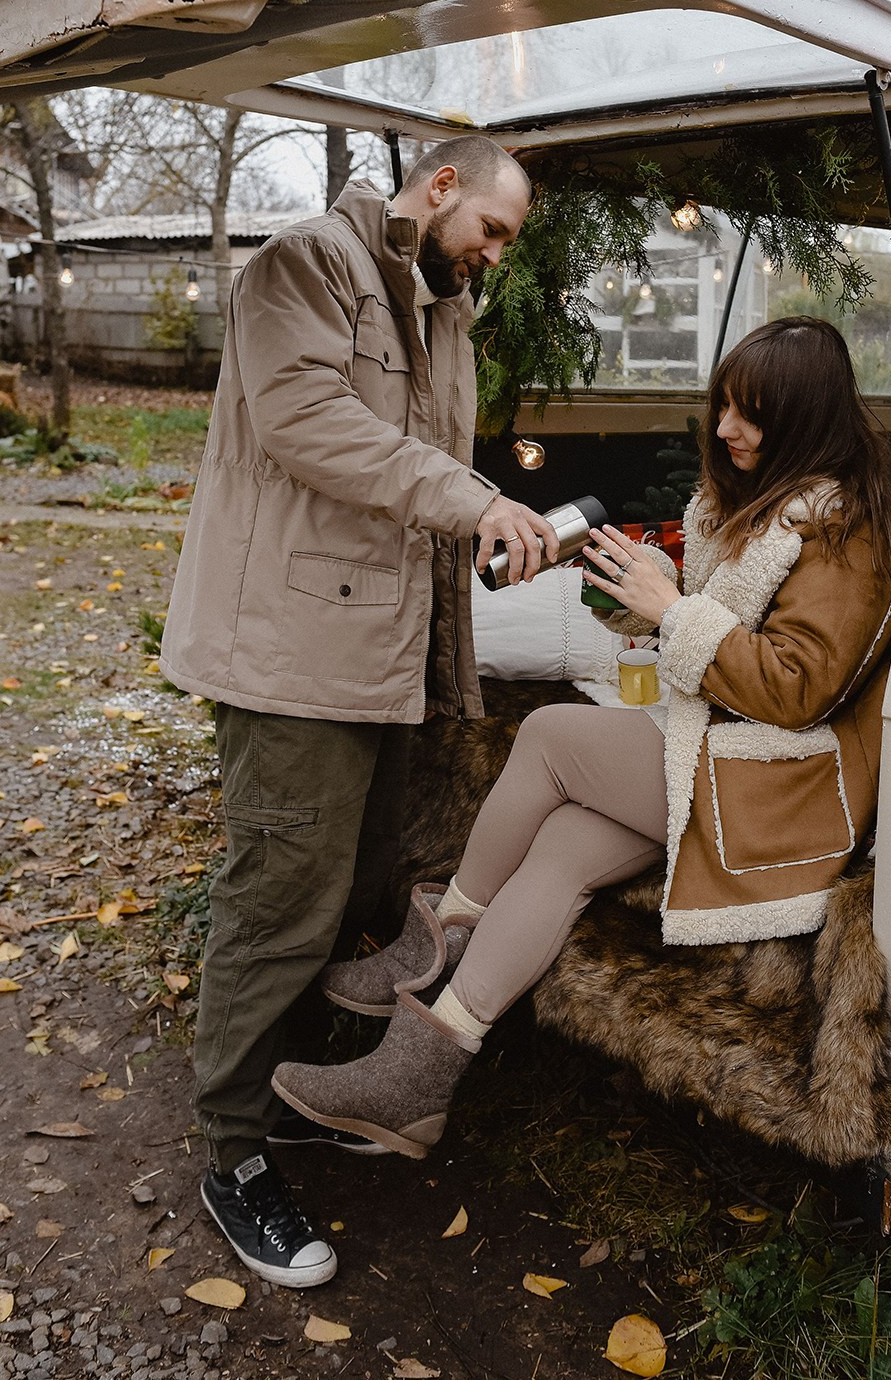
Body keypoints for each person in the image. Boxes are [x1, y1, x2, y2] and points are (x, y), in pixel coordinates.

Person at [270, 317, 891, 1157]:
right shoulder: (761, 512)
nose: (724, 429)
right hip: (719, 748)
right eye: (722, 405)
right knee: (566, 846)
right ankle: (415, 1078)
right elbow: (723, 635)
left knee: (548, 735)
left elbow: (794, 690)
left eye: (751, 414)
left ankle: (432, 941)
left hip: (781, 785)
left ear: (807, 418)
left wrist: (671, 610)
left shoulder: (841, 530)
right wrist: (627, 594)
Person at [159, 134, 559, 1287]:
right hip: (288, 657)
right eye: (491, 227)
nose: (493, 255)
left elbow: (414, 477)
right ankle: (231, 1156)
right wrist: (473, 498)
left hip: (375, 658)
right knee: (278, 900)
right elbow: (312, 426)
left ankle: (284, 1094)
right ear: (439, 187)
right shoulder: (304, 265)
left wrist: (489, 546)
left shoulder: (439, 307)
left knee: (350, 898)